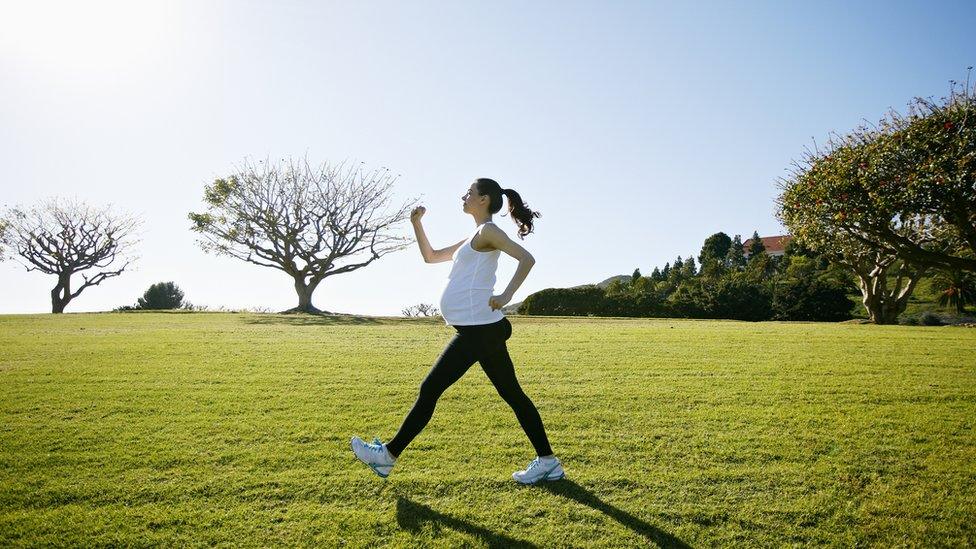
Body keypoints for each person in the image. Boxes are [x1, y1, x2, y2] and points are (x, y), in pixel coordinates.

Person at [350, 178, 564, 484]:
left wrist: (505, 297)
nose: (463, 196)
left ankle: (387, 456)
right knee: (512, 394)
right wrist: (416, 224)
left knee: (430, 389)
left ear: (484, 200)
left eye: (469, 193)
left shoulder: (489, 231)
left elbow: (526, 259)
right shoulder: (474, 236)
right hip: (480, 329)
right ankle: (548, 462)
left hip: (478, 329)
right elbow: (431, 256)